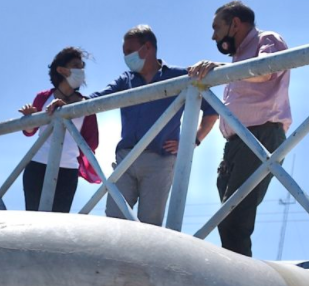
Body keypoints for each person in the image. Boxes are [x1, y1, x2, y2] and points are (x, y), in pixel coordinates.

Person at [89, 25, 220, 226]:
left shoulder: (181, 76)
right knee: (113, 222)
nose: (125, 57)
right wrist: (70, 101)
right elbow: (97, 98)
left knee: (150, 227)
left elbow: (212, 111)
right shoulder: (126, 79)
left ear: (147, 48)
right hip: (126, 158)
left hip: (159, 162)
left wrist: (192, 141)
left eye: (128, 52)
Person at [190, 1, 291, 257]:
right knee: (230, 219)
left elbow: (266, 70)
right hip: (235, 143)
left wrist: (223, 70)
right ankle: (242, 279)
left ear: (235, 23)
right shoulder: (237, 57)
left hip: (261, 135)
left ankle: (244, 285)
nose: (213, 36)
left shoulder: (267, 39)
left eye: (217, 27)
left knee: (233, 218)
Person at [18, 47, 100, 213]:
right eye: (77, 65)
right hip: (37, 166)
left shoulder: (86, 104)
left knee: (57, 225)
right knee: (33, 220)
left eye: (82, 66)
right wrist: (29, 118)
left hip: (68, 171)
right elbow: (29, 131)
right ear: (62, 70)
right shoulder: (43, 97)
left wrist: (67, 110)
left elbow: (91, 142)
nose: (81, 70)